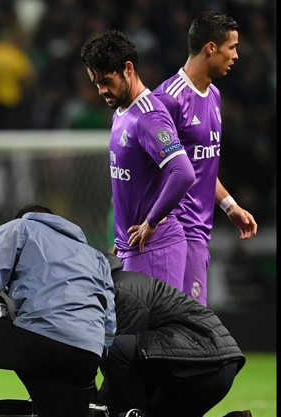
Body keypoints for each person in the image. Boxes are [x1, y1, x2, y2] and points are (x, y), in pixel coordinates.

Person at [0, 204, 142, 417]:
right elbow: (109, 316)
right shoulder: (95, 256)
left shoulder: (19, 227)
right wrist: (97, 352)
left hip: (41, 339)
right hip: (87, 354)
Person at [153, 11, 258, 306]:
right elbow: (149, 169)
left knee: (187, 323)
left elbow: (201, 165)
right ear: (211, 48)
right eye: (232, 47)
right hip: (174, 232)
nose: (236, 56)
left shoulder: (214, 96)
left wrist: (230, 206)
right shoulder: (168, 99)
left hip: (199, 231)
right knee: (182, 322)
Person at [99, 253, 255, 417]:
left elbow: (120, 369)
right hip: (208, 363)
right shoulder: (111, 290)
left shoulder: (120, 291)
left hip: (208, 360)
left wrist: (99, 412)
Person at [80, 29, 196, 291]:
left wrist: (152, 221)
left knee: (159, 321)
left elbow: (183, 172)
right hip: (131, 249)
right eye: (95, 83)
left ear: (128, 69)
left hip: (155, 250)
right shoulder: (121, 113)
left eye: (106, 81)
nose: (101, 90)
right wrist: (119, 242)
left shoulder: (148, 117)